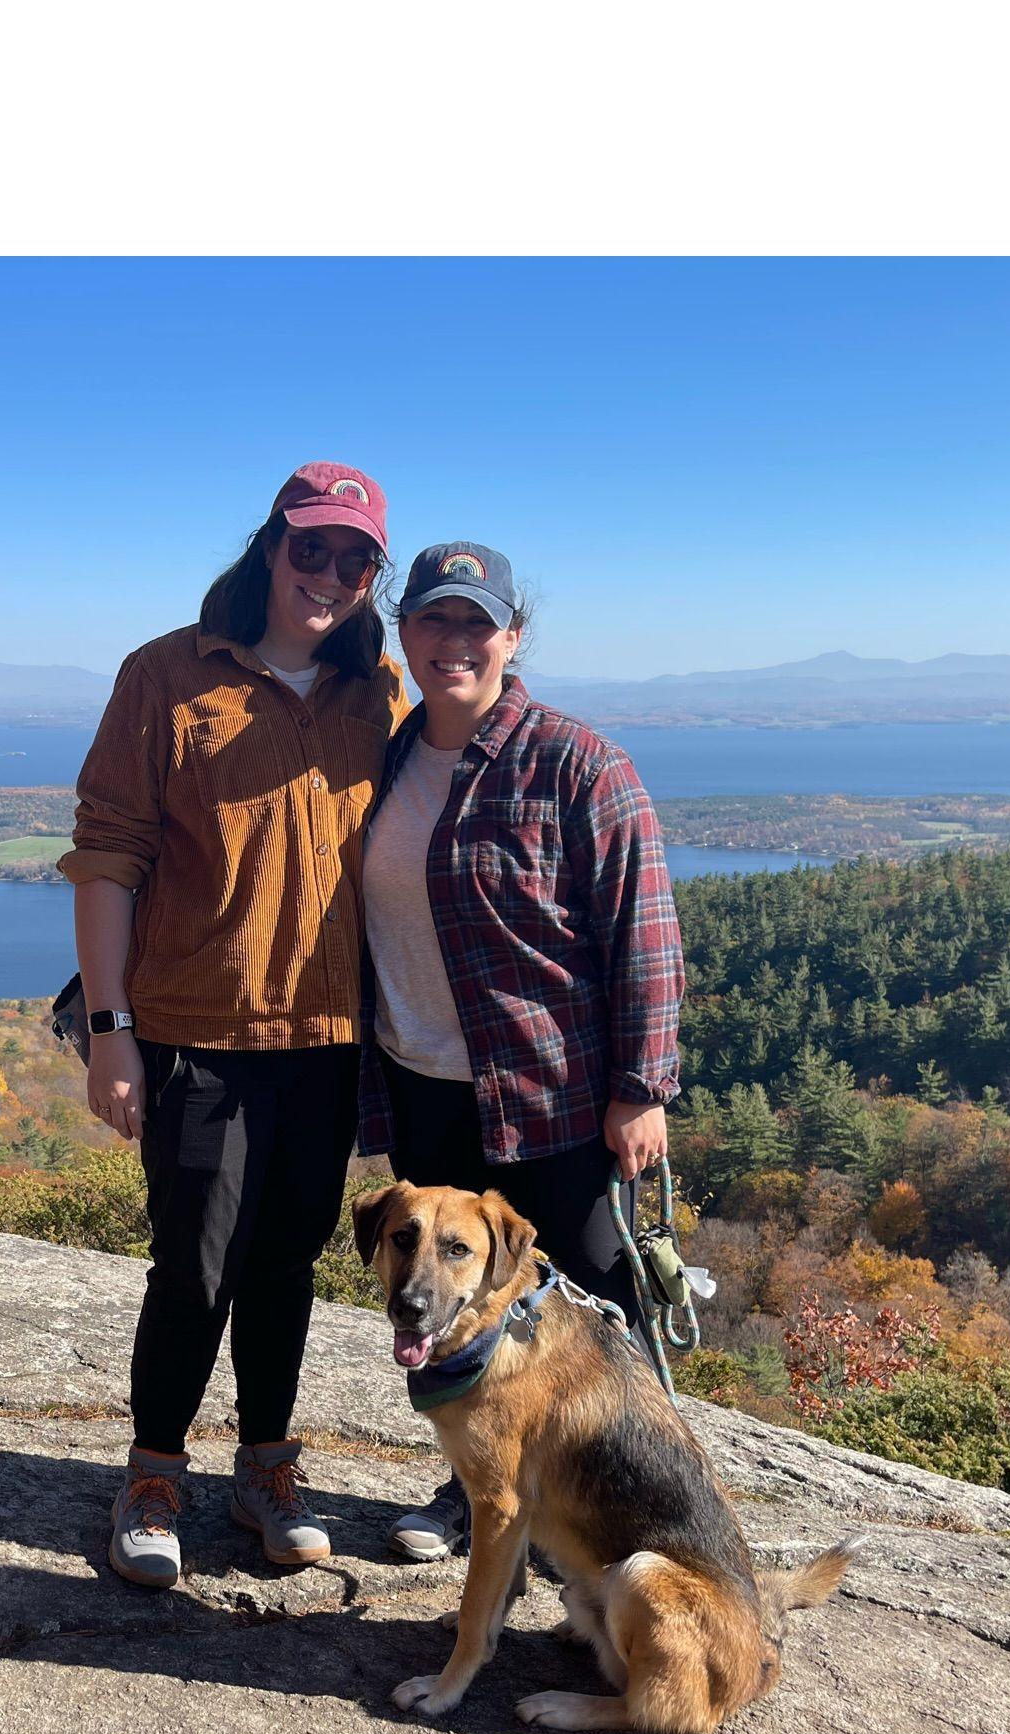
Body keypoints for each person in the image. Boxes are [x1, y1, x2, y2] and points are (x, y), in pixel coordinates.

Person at [59, 463, 407, 1589]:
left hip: (330, 1038)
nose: (333, 575)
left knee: (287, 1267)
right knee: (194, 1266)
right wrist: (111, 1028)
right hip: (196, 1030)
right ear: (271, 547)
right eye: (314, 549)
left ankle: (268, 1468)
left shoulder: (378, 694)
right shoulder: (167, 676)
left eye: (358, 559)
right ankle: (155, 1475)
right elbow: (109, 859)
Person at [356, 541, 684, 1562]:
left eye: (475, 623)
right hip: (423, 1085)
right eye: (433, 621)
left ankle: (633, 1511)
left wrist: (642, 1088)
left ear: (513, 635)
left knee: (591, 1314)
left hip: (554, 1096)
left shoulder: (580, 763)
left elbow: (646, 933)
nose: (453, 642)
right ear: (403, 633)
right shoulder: (388, 761)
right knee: (456, 1308)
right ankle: (477, 1494)